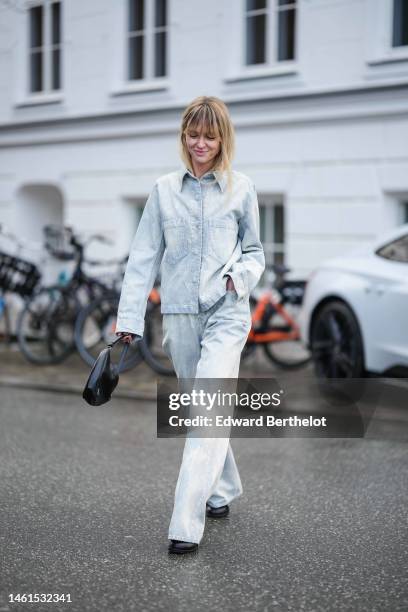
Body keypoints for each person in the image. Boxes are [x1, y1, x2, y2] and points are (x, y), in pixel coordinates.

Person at [115, 95, 265, 554]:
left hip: (227, 312)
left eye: (209, 135)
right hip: (179, 315)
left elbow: (256, 254)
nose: (200, 143)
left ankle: (185, 522)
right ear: (184, 136)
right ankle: (222, 489)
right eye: (193, 134)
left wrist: (235, 279)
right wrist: (129, 320)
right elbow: (143, 258)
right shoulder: (163, 190)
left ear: (223, 139)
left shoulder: (242, 189)